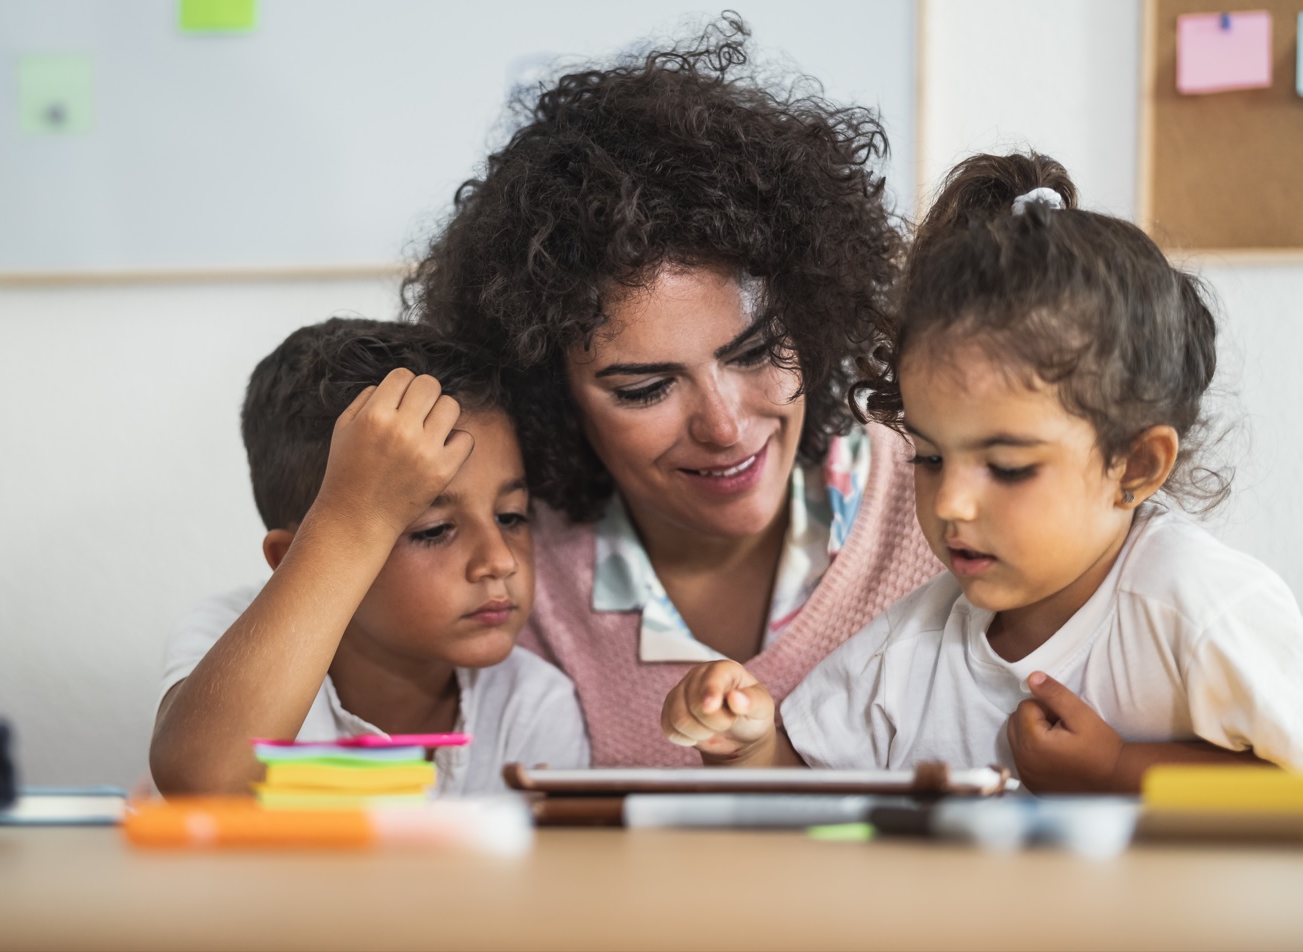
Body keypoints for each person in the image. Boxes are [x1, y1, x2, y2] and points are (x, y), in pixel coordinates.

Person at [660, 152, 1303, 791]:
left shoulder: (1198, 609)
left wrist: (1118, 770)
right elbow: (807, 792)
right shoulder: (909, 650)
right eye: (931, 457)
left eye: (1007, 467)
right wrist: (749, 747)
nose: (952, 504)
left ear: (1133, 466)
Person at [403, 16, 942, 766]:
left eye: (756, 351)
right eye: (647, 388)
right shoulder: (509, 574)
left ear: (815, 318)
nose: (723, 425)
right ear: (551, 396)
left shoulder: (945, 493)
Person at [149, 319, 588, 796]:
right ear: (291, 557)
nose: (500, 561)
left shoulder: (532, 704)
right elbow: (203, 782)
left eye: (511, 516)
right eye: (434, 530)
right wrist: (348, 519)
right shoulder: (226, 633)